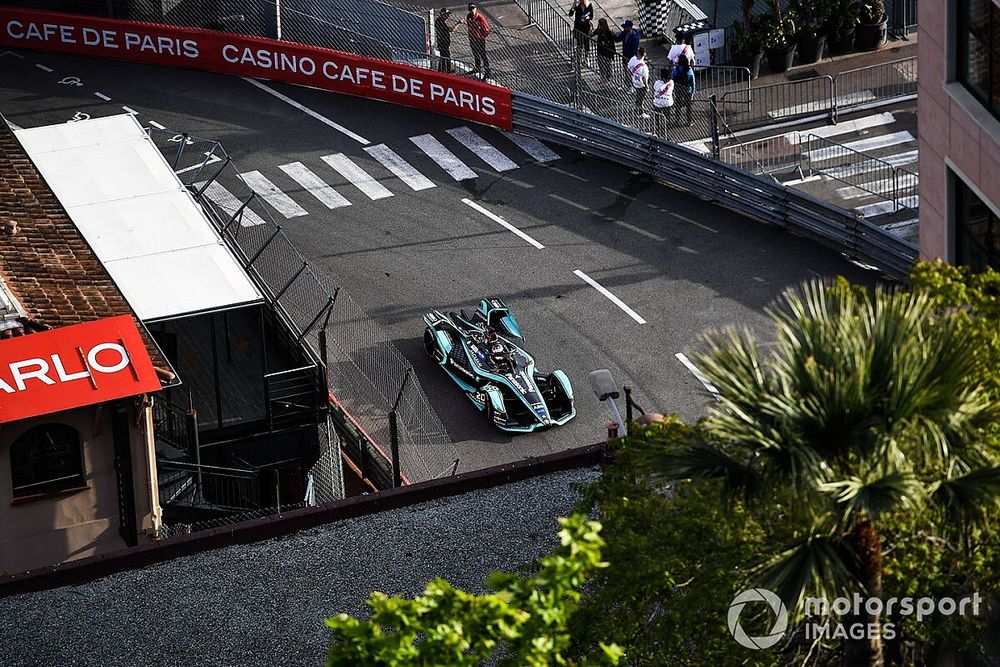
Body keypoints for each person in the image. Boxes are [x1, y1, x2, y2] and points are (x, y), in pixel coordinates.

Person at [466, 3, 492, 81]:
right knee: (476, 54)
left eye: (473, 8)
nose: (472, 10)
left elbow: (487, 29)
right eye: (470, 9)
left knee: (483, 55)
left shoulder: (480, 18)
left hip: (479, 40)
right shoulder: (468, 16)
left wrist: (481, 36)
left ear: (476, 8)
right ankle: (477, 68)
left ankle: (487, 72)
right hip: (472, 39)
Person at [671, 52, 696, 126]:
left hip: (678, 89)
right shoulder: (689, 70)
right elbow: (692, 82)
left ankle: (677, 120)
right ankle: (689, 121)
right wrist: (693, 91)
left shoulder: (676, 69)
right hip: (687, 90)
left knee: (678, 105)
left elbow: (673, 78)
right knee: (688, 106)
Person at [567, 0, 594, 66]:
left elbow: (591, 16)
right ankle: (578, 59)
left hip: (586, 28)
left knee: (586, 43)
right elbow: (570, 14)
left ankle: (586, 58)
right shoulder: (577, 5)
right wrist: (573, 6)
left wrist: (587, 17)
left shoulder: (589, 5)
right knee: (579, 44)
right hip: (578, 28)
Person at [435, 7, 460, 73]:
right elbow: (451, 30)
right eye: (447, 15)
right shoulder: (440, 23)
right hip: (443, 43)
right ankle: (446, 71)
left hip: (443, 43)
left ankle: (441, 70)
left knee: (443, 57)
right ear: (442, 14)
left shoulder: (439, 21)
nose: (448, 16)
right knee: (446, 57)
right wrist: (458, 23)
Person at [628, 46, 650, 120]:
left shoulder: (633, 59)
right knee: (641, 99)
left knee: (638, 97)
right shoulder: (644, 66)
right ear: (644, 54)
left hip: (635, 82)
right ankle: (640, 113)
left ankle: (637, 109)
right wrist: (647, 86)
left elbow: (629, 68)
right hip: (641, 85)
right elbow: (644, 78)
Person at [593, 18, 617, 85]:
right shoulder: (598, 30)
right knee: (601, 66)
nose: (600, 26)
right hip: (600, 52)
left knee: (607, 66)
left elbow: (612, 42)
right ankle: (603, 78)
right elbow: (592, 34)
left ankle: (608, 79)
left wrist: (607, 43)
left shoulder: (609, 33)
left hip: (607, 53)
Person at [652, 67, 674, 136]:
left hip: (658, 102)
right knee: (667, 116)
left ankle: (657, 128)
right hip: (667, 103)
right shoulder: (671, 83)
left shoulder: (657, 83)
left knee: (657, 116)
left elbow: (654, 88)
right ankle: (666, 128)